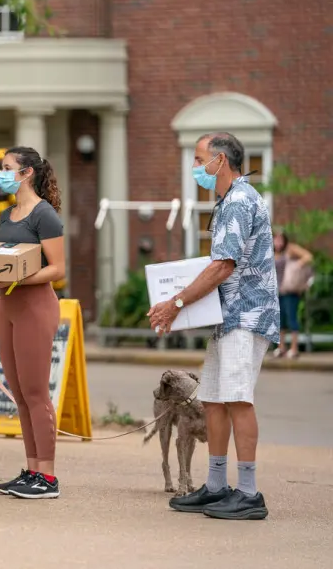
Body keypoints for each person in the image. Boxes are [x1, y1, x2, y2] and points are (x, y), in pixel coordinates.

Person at [149, 132, 279, 521]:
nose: (195, 167)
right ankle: (218, 485)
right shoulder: (228, 200)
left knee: (237, 397)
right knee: (214, 398)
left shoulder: (238, 200)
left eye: (198, 158)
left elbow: (224, 266)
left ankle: (249, 492)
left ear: (220, 161)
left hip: (247, 314)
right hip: (230, 317)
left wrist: (175, 303)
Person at [0, 146, 66, 500]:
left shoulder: (44, 214)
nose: (2, 174)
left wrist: (18, 279)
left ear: (26, 173)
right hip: (7, 307)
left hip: (35, 307)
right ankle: (32, 468)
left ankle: (47, 477)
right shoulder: (8, 213)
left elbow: (57, 269)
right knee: (19, 394)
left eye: (7, 168)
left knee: (36, 393)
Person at [273, 230, 313, 359]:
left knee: (292, 319)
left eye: (280, 239)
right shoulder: (272, 253)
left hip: (290, 290)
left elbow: (308, 256)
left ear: (284, 240)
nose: (278, 242)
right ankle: (281, 348)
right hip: (277, 291)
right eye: (276, 239)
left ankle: (294, 349)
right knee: (280, 321)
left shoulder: (290, 249)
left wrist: (298, 264)